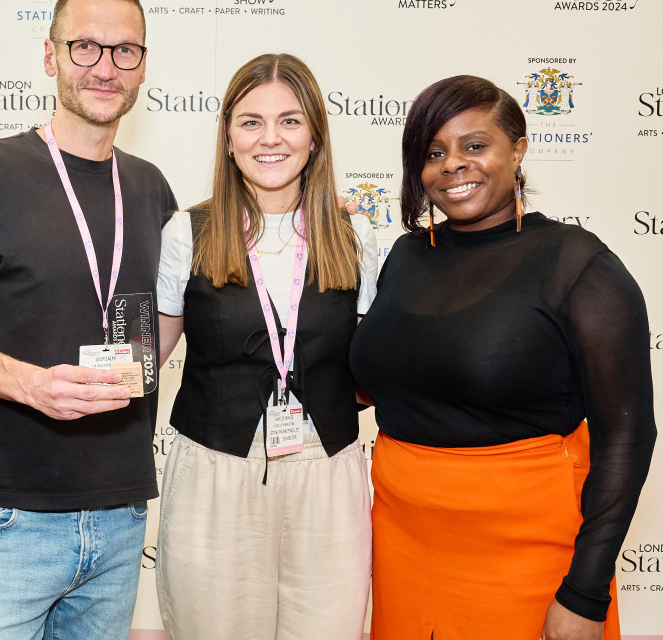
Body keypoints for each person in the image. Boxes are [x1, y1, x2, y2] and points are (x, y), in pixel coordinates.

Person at [349, 75, 656, 640]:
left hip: (529, 551)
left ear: (517, 149)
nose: (452, 166)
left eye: (474, 146)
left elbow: (627, 435)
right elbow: (377, 384)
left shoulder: (578, 265)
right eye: (433, 152)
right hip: (401, 544)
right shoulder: (407, 254)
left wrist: (584, 593)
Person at [0, 0, 177, 640]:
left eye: (124, 51)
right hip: (7, 516)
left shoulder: (150, 188)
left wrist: (301, 226)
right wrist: (35, 386)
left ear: (143, 65)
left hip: (121, 514)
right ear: (50, 56)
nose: (104, 66)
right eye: (85, 46)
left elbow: (162, 326)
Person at [154, 53, 378, 639]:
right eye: (251, 121)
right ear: (228, 138)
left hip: (328, 473)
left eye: (290, 121)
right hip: (215, 471)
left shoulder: (358, 237)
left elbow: (381, 361)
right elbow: (144, 358)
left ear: (315, 136)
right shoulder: (187, 232)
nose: (270, 139)